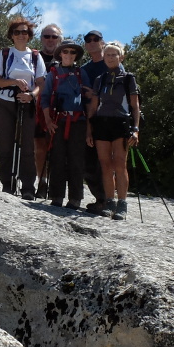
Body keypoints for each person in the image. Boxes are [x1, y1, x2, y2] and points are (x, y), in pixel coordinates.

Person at [0, 17, 42, 199]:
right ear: (12, 35)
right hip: (5, 103)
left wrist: (31, 95)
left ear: (29, 36)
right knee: (5, 145)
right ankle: (8, 185)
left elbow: (40, 83)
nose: (21, 35)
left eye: (24, 32)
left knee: (27, 146)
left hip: (26, 104)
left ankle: (28, 187)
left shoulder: (35, 56)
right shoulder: (5, 54)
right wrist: (12, 82)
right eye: (17, 32)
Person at [40, 39, 95, 209]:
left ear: (76, 55)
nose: (69, 55)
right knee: (57, 158)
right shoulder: (53, 74)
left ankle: (75, 199)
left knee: (76, 160)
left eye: (72, 52)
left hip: (78, 121)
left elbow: (88, 101)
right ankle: (56, 196)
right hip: (58, 121)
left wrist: (89, 128)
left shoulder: (81, 74)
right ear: (60, 54)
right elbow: (44, 98)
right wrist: (48, 121)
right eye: (66, 51)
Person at [89, 42, 141, 220]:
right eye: (107, 55)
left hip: (121, 123)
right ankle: (109, 201)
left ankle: (122, 203)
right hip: (102, 124)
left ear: (121, 57)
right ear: (103, 58)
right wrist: (89, 130)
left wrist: (136, 129)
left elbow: (135, 106)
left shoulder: (128, 78)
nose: (110, 58)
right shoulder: (100, 79)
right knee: (105, 164)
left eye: (114, 55)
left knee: (119, 163)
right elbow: (93, 107)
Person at [33, 23, 64, 196]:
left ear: (59, 39)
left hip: (59, 109)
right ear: (41, 38)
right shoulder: (34, 57)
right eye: (47, 36)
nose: (50, 40)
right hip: (37, 108)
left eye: (54, 37)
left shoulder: (66, 59)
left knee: (58, 147)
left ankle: (55, 183)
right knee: (39, 146)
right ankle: (42, 181)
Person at [80, 30, 108, 212]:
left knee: (108, 162)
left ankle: (110, 201)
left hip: (110, 118)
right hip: (89, 119)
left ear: (102, 42)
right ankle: (101, 199)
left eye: (95, 39)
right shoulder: (84, 69)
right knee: (89, 162)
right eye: (88, 40)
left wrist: (94, 94)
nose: (91, 42)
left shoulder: (112, 64)